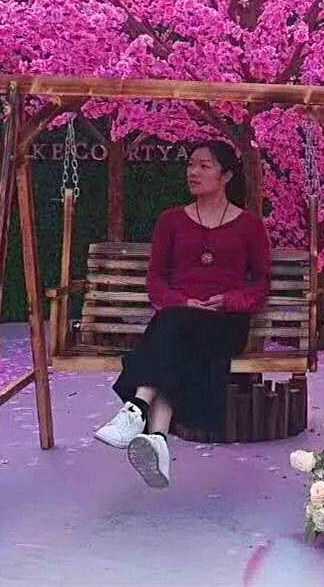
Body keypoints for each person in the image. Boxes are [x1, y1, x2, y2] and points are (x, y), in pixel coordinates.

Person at [95, 140, 270, 488]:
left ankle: (137, 409)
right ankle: (157, 439)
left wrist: (228, 300)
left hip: (224, 322)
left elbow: (261, 283)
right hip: (180, 319)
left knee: (174, 330)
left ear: (226, 176)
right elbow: (155, 279)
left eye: (204, 166)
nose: (193, 172)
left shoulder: (249, 225)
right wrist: (182, 301)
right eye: (191, 164)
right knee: (178, 330)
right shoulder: (171, 221)